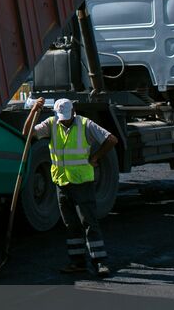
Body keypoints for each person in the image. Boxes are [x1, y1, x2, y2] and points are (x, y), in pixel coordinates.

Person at [30, 97, 119, 278]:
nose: (65, 120)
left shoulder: (85, 124)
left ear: (74, 112)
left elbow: (111, 139)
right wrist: (33, 112)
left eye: (67, 117)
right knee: (71, 225)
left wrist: (95, 157)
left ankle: (100, 262)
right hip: (62, 183)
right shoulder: (51, 124)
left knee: (89, 222)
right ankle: (77, 262)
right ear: (56, 114)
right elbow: (27, 134)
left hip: (82, 183)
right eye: (62, 117)